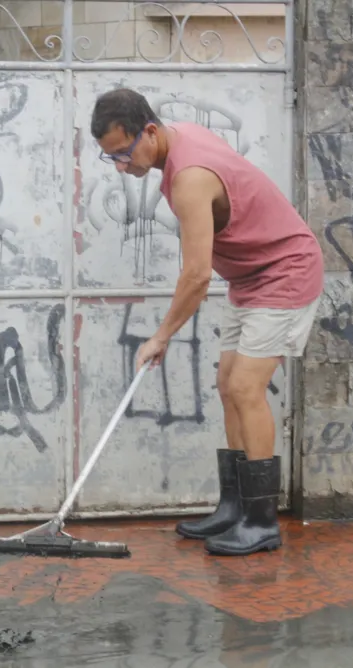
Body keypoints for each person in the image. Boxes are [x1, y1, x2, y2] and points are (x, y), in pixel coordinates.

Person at [89, 88, 324, 557]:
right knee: (226, 384)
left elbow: (196, 275)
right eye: (108, 156)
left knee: (244, 388)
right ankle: (235, 507)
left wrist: (160, 336)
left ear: (149, 132)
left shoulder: (190, 178)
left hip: (285, 271)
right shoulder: (182, 136)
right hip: (251, 277)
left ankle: (260, 522)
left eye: (122, 152)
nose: (120, 166)